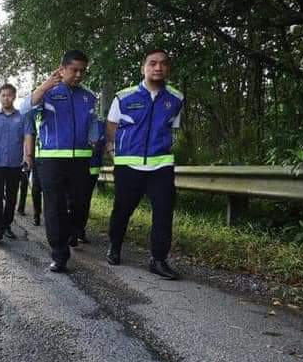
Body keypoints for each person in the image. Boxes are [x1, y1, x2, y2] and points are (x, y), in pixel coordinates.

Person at [104, 49, 184, 280]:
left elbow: (173, 129)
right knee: (122, 210)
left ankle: (158, 260)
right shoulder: (123, 97)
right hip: (129, 165)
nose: (158, 67)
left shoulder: (176, 98)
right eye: (152, 63)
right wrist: (113, 153)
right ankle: (115, 246)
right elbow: (111, 128)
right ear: (143, 68)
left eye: (163, 64)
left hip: (161, 166)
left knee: (163, 213)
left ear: (167, 69)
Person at [19, 50, 100, 272]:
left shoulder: (89, 96)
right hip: (51, 160)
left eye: (82, 71)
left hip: (80, 160)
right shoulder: (47, 92)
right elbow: (24, 110)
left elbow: (93, 120)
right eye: (74, 70)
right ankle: (59, 254)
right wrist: (45, 85)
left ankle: (72, 231)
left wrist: (95, 137)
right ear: (62, 69)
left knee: (81, 203)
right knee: (54, 207)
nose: (78, 75)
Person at [0, 83, 35, 243]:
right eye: (3, 95)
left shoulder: (22, 117)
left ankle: (6, 225)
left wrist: (28, 156)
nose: (6, 98)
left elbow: (28, 137)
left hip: (15, 164)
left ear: (14, 97)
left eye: (9, 95)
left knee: (11, 198)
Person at [17, 161, 42, 226]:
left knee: (26, 186)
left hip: (32, 160)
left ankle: (36, 214)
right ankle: (21, 208)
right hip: (24, 160)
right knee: (23, 185)